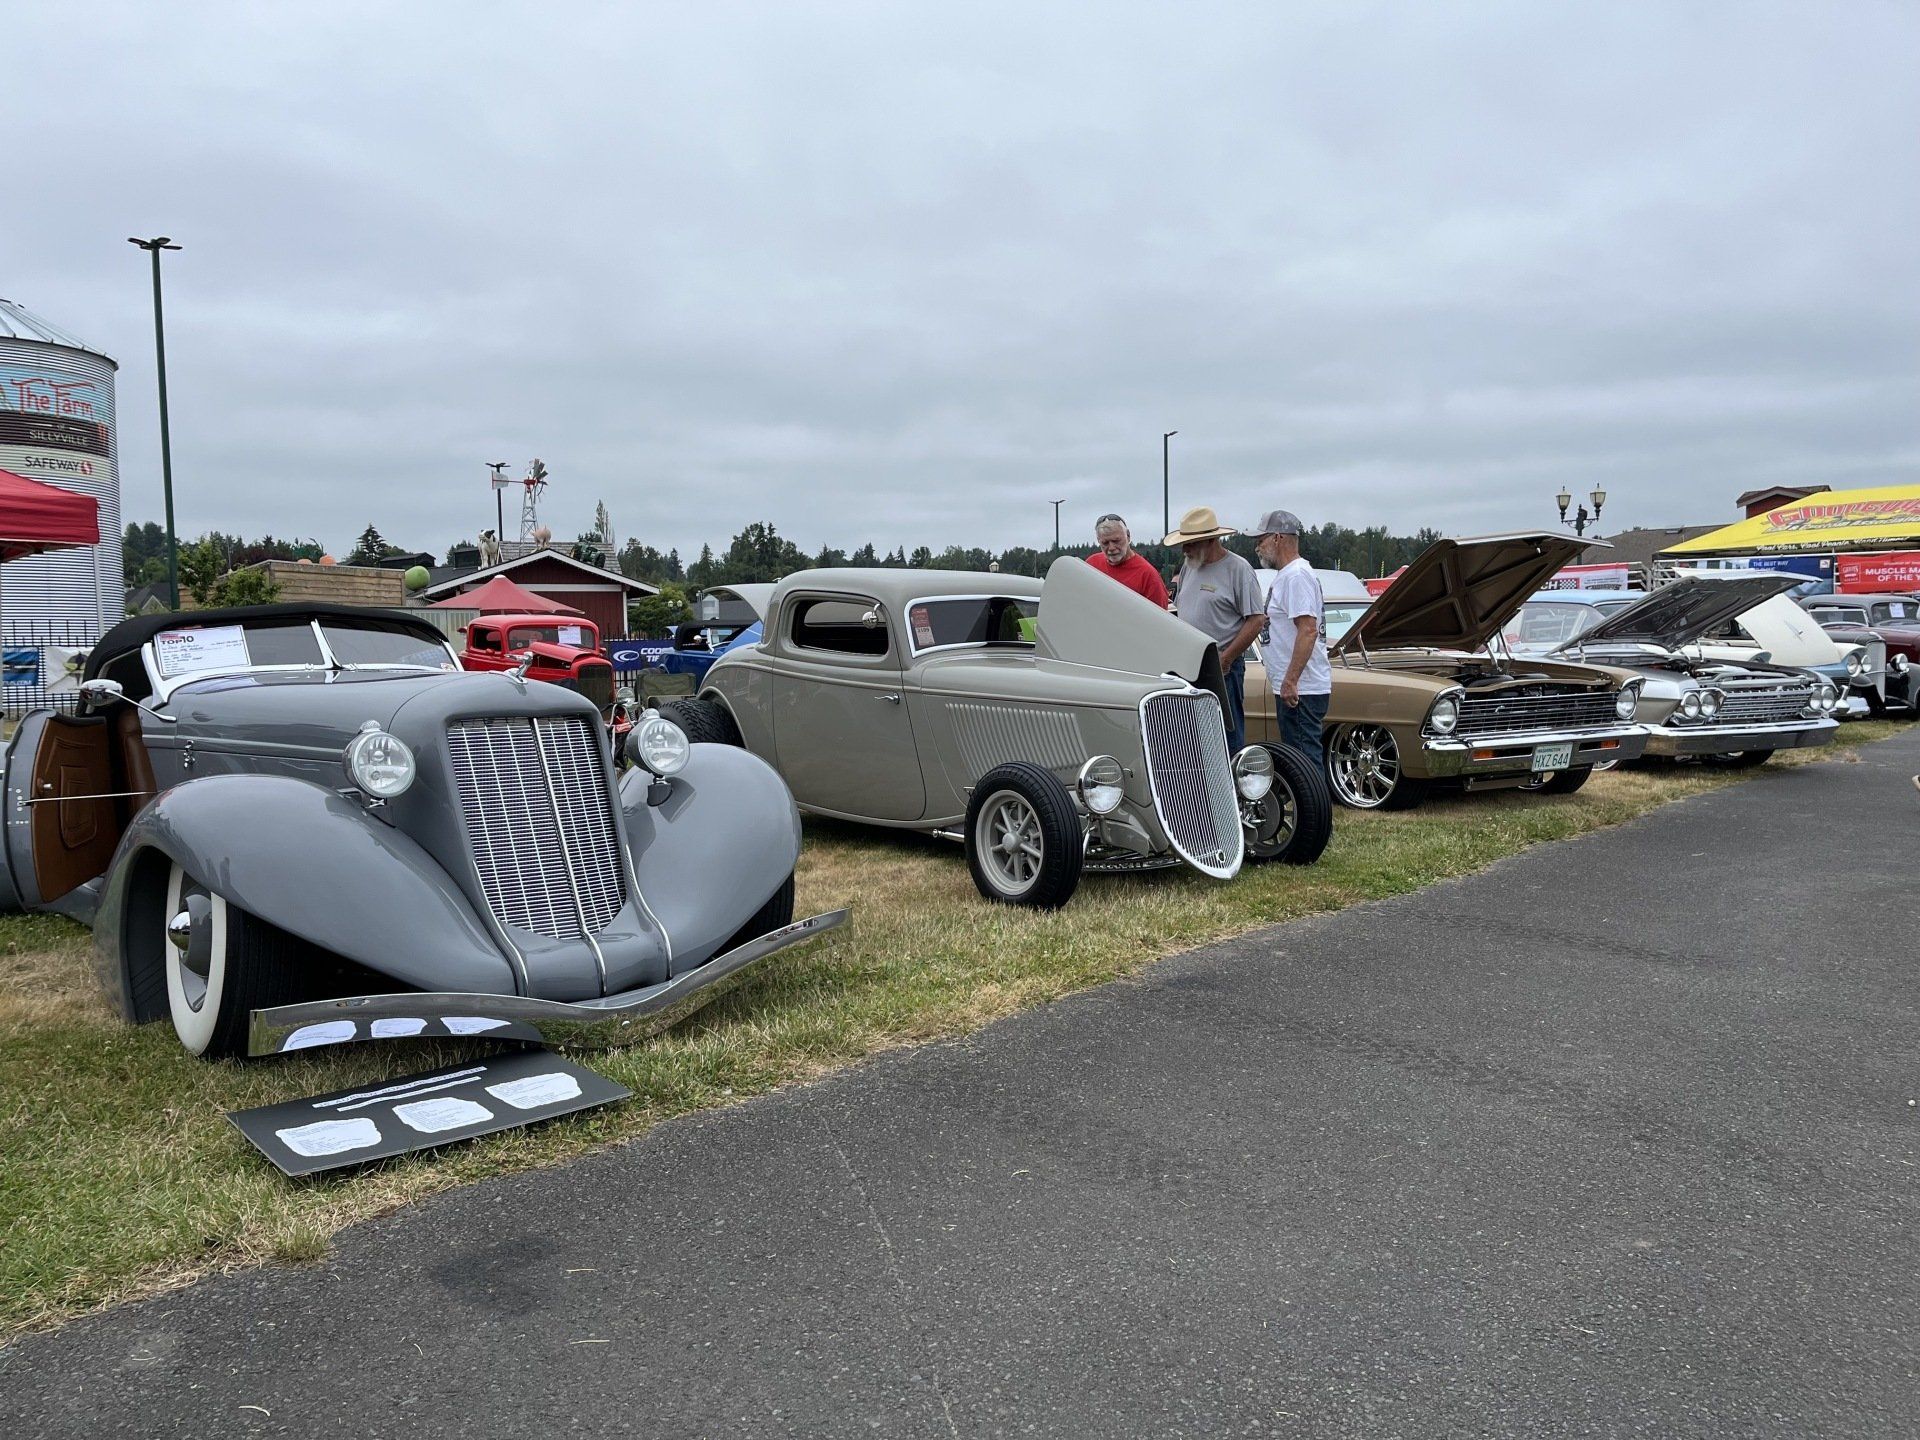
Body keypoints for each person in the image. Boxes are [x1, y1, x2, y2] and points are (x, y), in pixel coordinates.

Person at [1164, 505, 1265, 753]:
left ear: (1210, 541)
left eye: (1190, 543)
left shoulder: (1238, 569)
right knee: (1189, 738)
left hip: (1221, 668)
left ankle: (1229, 788)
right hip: (1188, 666)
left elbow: (1256, 620)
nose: (1184, 549)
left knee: (1225, 738)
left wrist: (1226, 658)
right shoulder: (1190, 566)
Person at [1250, 509, 1332, 765]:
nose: (1257, 548)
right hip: (1296, 687)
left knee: (1304, 762)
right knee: (1298, 758)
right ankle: (1309, 804)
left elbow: (1308, 629)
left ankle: (1312, 807)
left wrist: (1291, 681)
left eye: (1260, 541)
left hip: (1301, 689)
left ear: (1277, 538)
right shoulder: (1288, 575)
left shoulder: (1296, 576)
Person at [1085, 513, 1169, 607]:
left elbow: (1159, 618)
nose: (1111, 547)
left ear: (1128, 536)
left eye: (1116, 541)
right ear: (1098, 541)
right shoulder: (1091, 565)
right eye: (1105, 543)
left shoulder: (1148, 576)